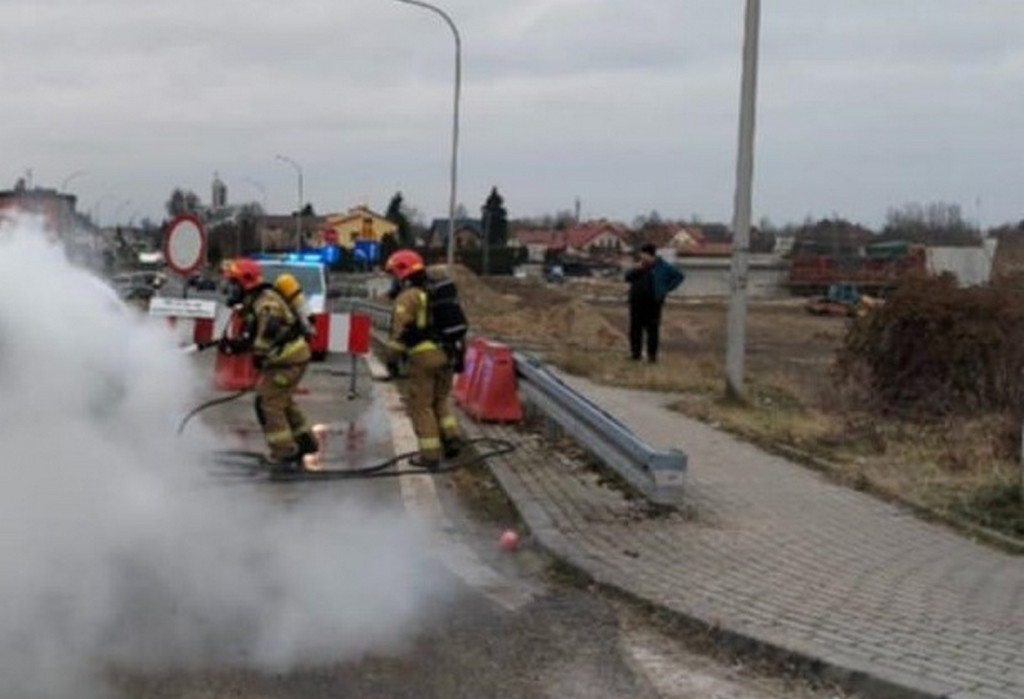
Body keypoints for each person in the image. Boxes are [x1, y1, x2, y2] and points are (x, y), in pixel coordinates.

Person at [219, 258, 318, 470]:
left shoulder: (265, 304)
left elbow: (268, 332)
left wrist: (259, 352)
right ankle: (305, 442)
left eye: (232, 284)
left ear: (245, 282)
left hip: (288, 361)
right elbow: (252, 336)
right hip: (291, 359)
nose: (229, 290)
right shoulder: (257, 300)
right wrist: (234, 346)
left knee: (267, 403)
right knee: (282, 401)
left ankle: (284, 452)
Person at [383, 249, 463, 471]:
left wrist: (391, 360)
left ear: (402, 271)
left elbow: (398, 334)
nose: (393, 279)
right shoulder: (434, 291)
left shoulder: (408, 296)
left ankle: (430, 455)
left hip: (424, 357)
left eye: (393, 273)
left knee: (421, 406)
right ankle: (452, 438)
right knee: (440, 400)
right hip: (447, 353)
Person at [624, 243, 684, 363]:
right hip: (636, 302)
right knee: (635, 329)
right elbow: (627, 277)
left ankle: (652, 356)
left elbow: (679, 276)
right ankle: (635, 354)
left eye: (643, 255)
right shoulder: (639, 267)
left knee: (652, 330)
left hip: (653, 303)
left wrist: (666, 289)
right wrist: (638, 268)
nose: (641, 257)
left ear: (649, 254)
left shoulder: (663, 266)